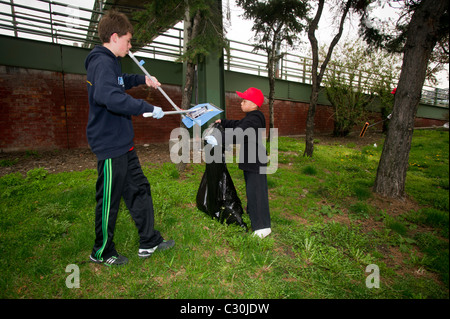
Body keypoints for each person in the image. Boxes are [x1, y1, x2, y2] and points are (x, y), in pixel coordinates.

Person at [85, 10, 174, 266]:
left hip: (124, 142)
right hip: (110, 144)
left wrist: (142, 79)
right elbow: (108, 96)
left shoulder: (111, 62)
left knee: (139, 189)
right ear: (115, 37)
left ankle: (149, 241)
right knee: (109, 201)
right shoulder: (101, 62)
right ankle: (101, 251)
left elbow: (119, 82)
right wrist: (145, 107)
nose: (130, 45)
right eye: (128, 40)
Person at [207, 87, 272, 238]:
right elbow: (238, 124)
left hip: (255, 161)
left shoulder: (254, 119)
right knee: (252, 189)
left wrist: (218, 139)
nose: (241, 103)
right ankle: (252, 211)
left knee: (257, 192)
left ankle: (263, 227)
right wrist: (223, 122)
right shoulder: (252, 117)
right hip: (252, 160)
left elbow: (240, 133)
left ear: (254, 104)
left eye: (244, 100)